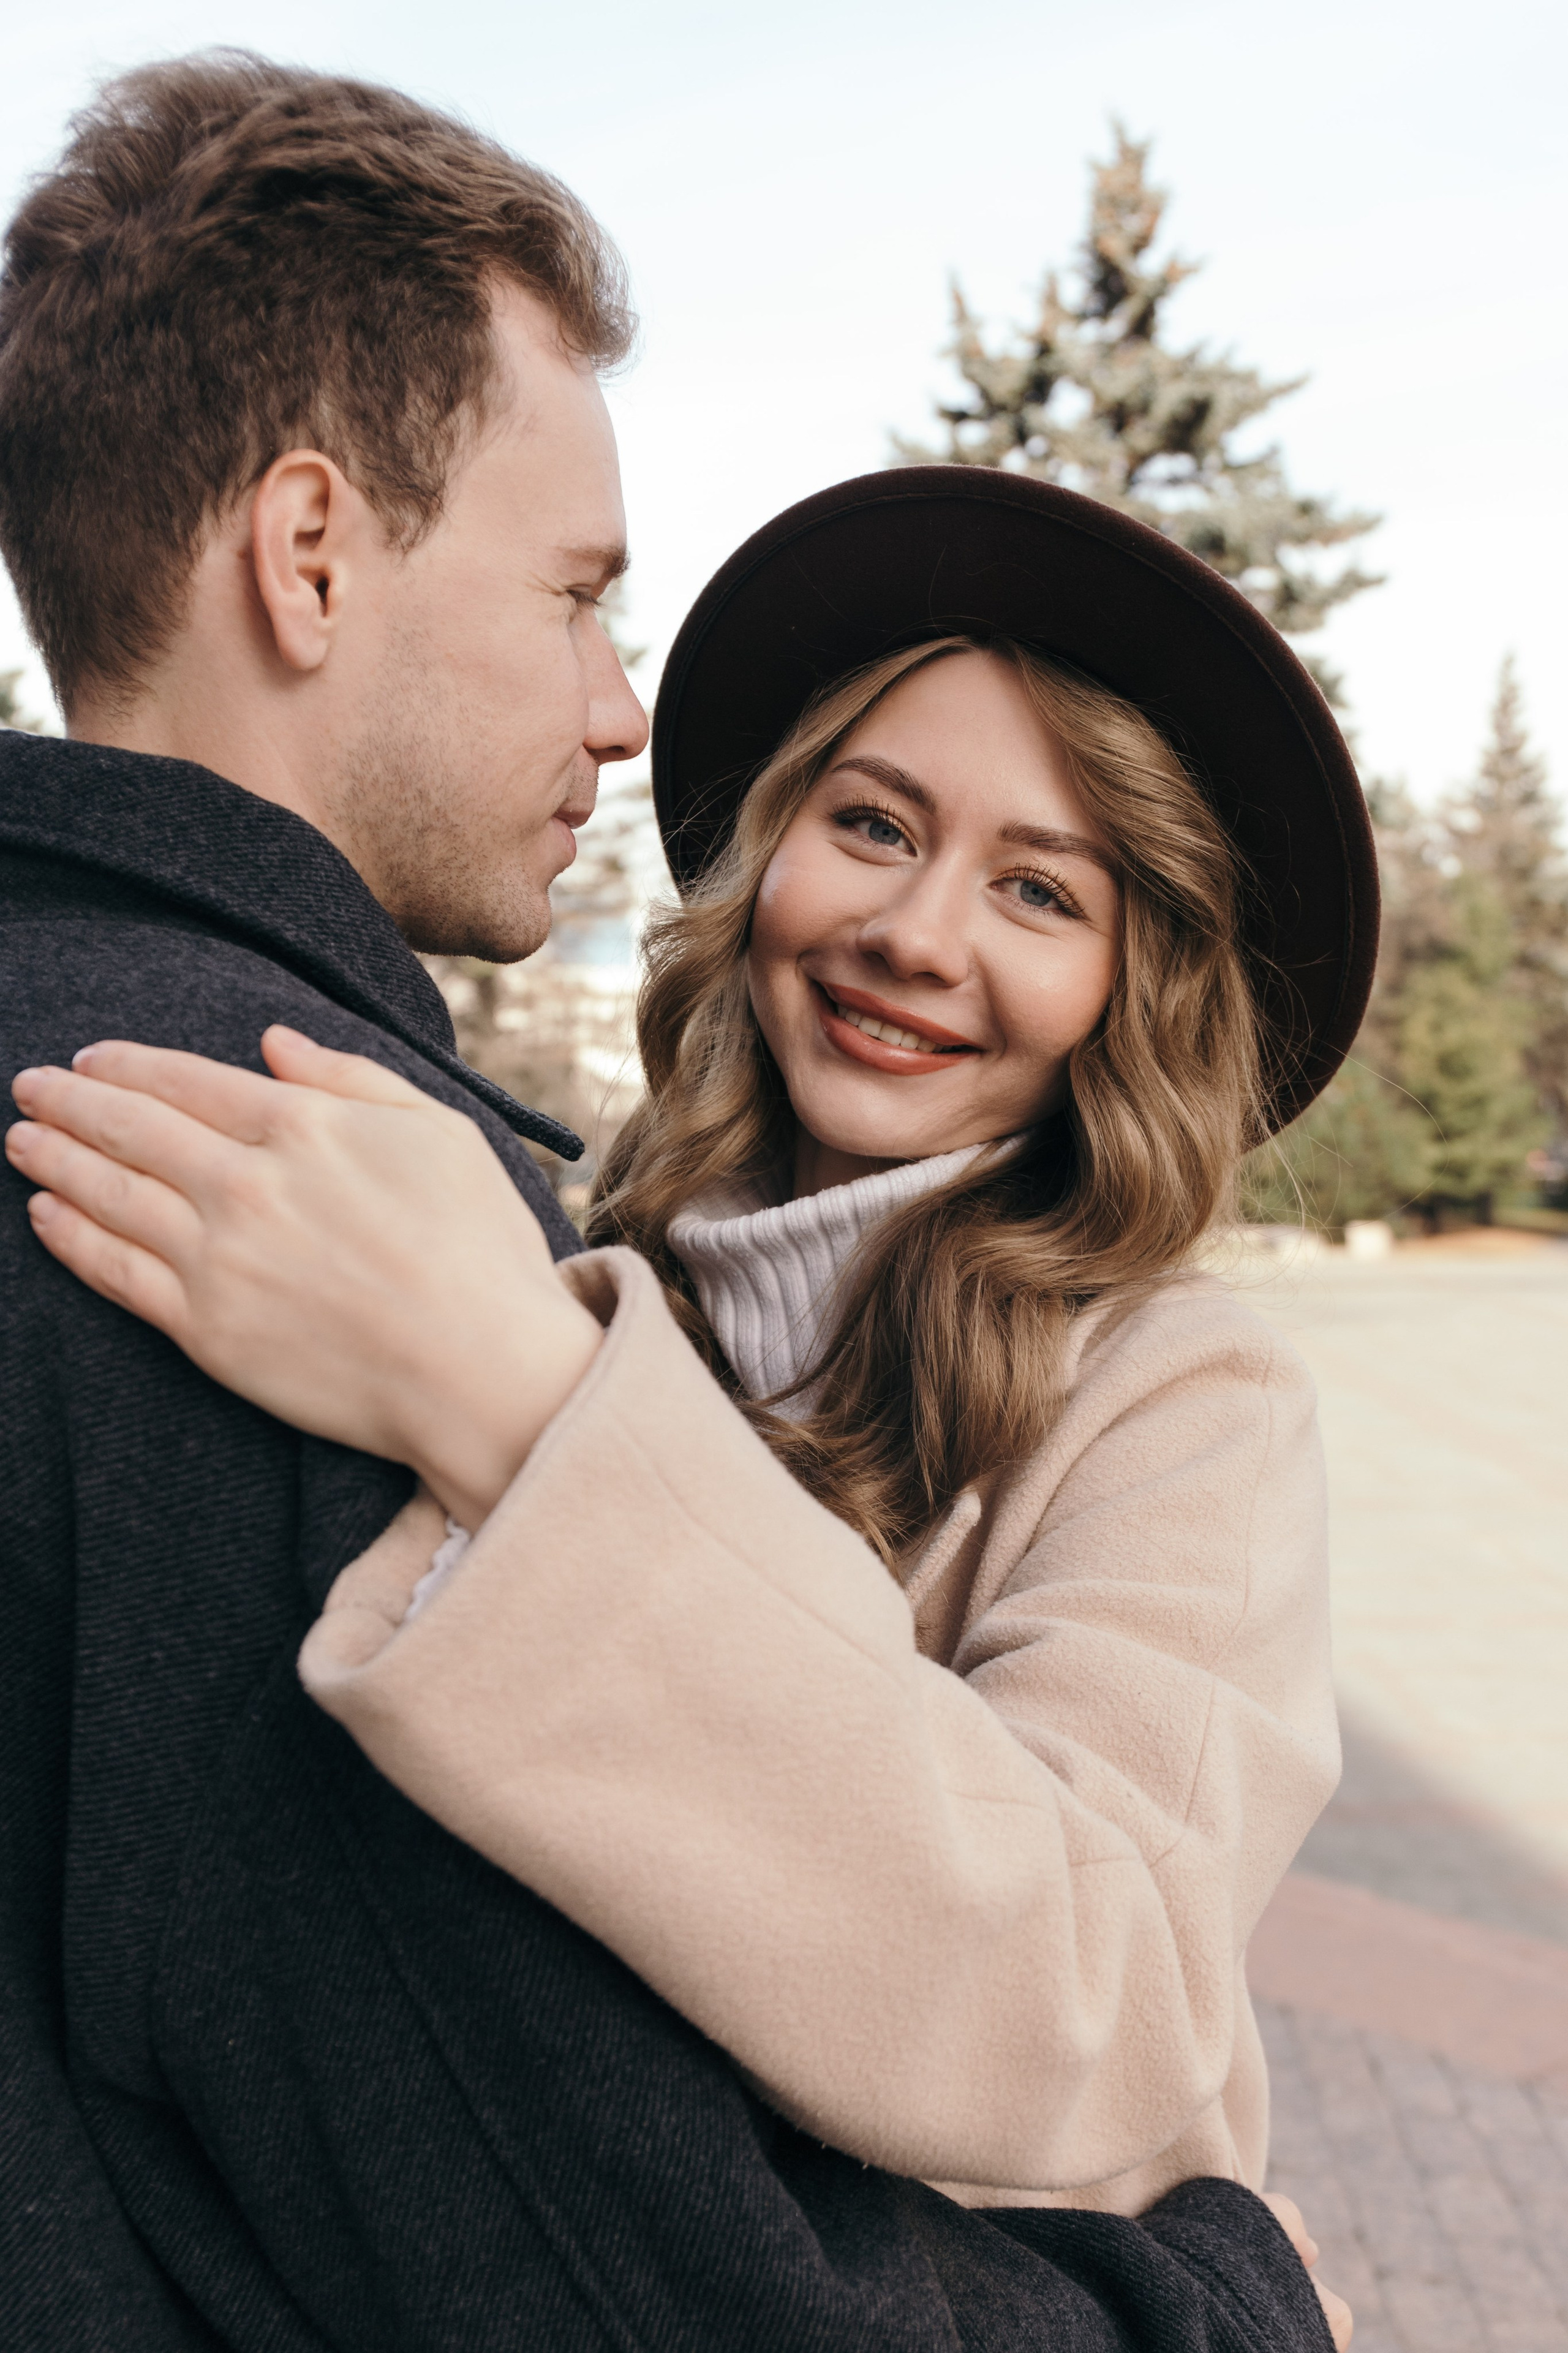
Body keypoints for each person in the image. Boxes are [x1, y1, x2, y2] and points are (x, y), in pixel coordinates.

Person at [0, 49, 1349, 2353]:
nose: (924, 933)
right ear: (766, 854)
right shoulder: (397, 1203)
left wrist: (533, 1407)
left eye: (1045, 885)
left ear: (1142, 981)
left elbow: (1102, 2002)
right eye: (874, 824)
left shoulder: (1178, 1390)